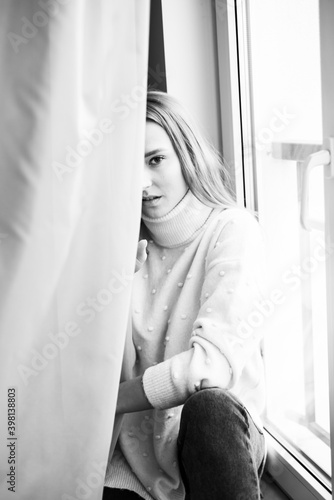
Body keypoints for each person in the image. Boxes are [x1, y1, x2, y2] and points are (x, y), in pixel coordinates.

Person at [103, 90, 266, 500]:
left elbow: (209, 368)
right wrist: (117, 280)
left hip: (215, 440)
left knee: (209, 407)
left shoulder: (233, 229)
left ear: (187, 155)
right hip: (134, 458)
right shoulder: (117, 249)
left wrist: (110, 402)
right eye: (128, 166)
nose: (141, 182)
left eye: (155, 159)